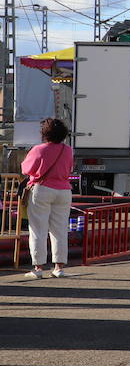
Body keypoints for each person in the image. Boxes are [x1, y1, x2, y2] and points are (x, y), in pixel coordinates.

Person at [21, 117, 74, 281]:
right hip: (64, 191)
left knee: (38, 229)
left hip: (42, 189)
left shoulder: (39, 149)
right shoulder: (68, 150)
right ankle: (59, 267)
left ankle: (38, 268)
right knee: (59, 230)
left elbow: (26, 169)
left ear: (44, 133)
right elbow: (70, 168)